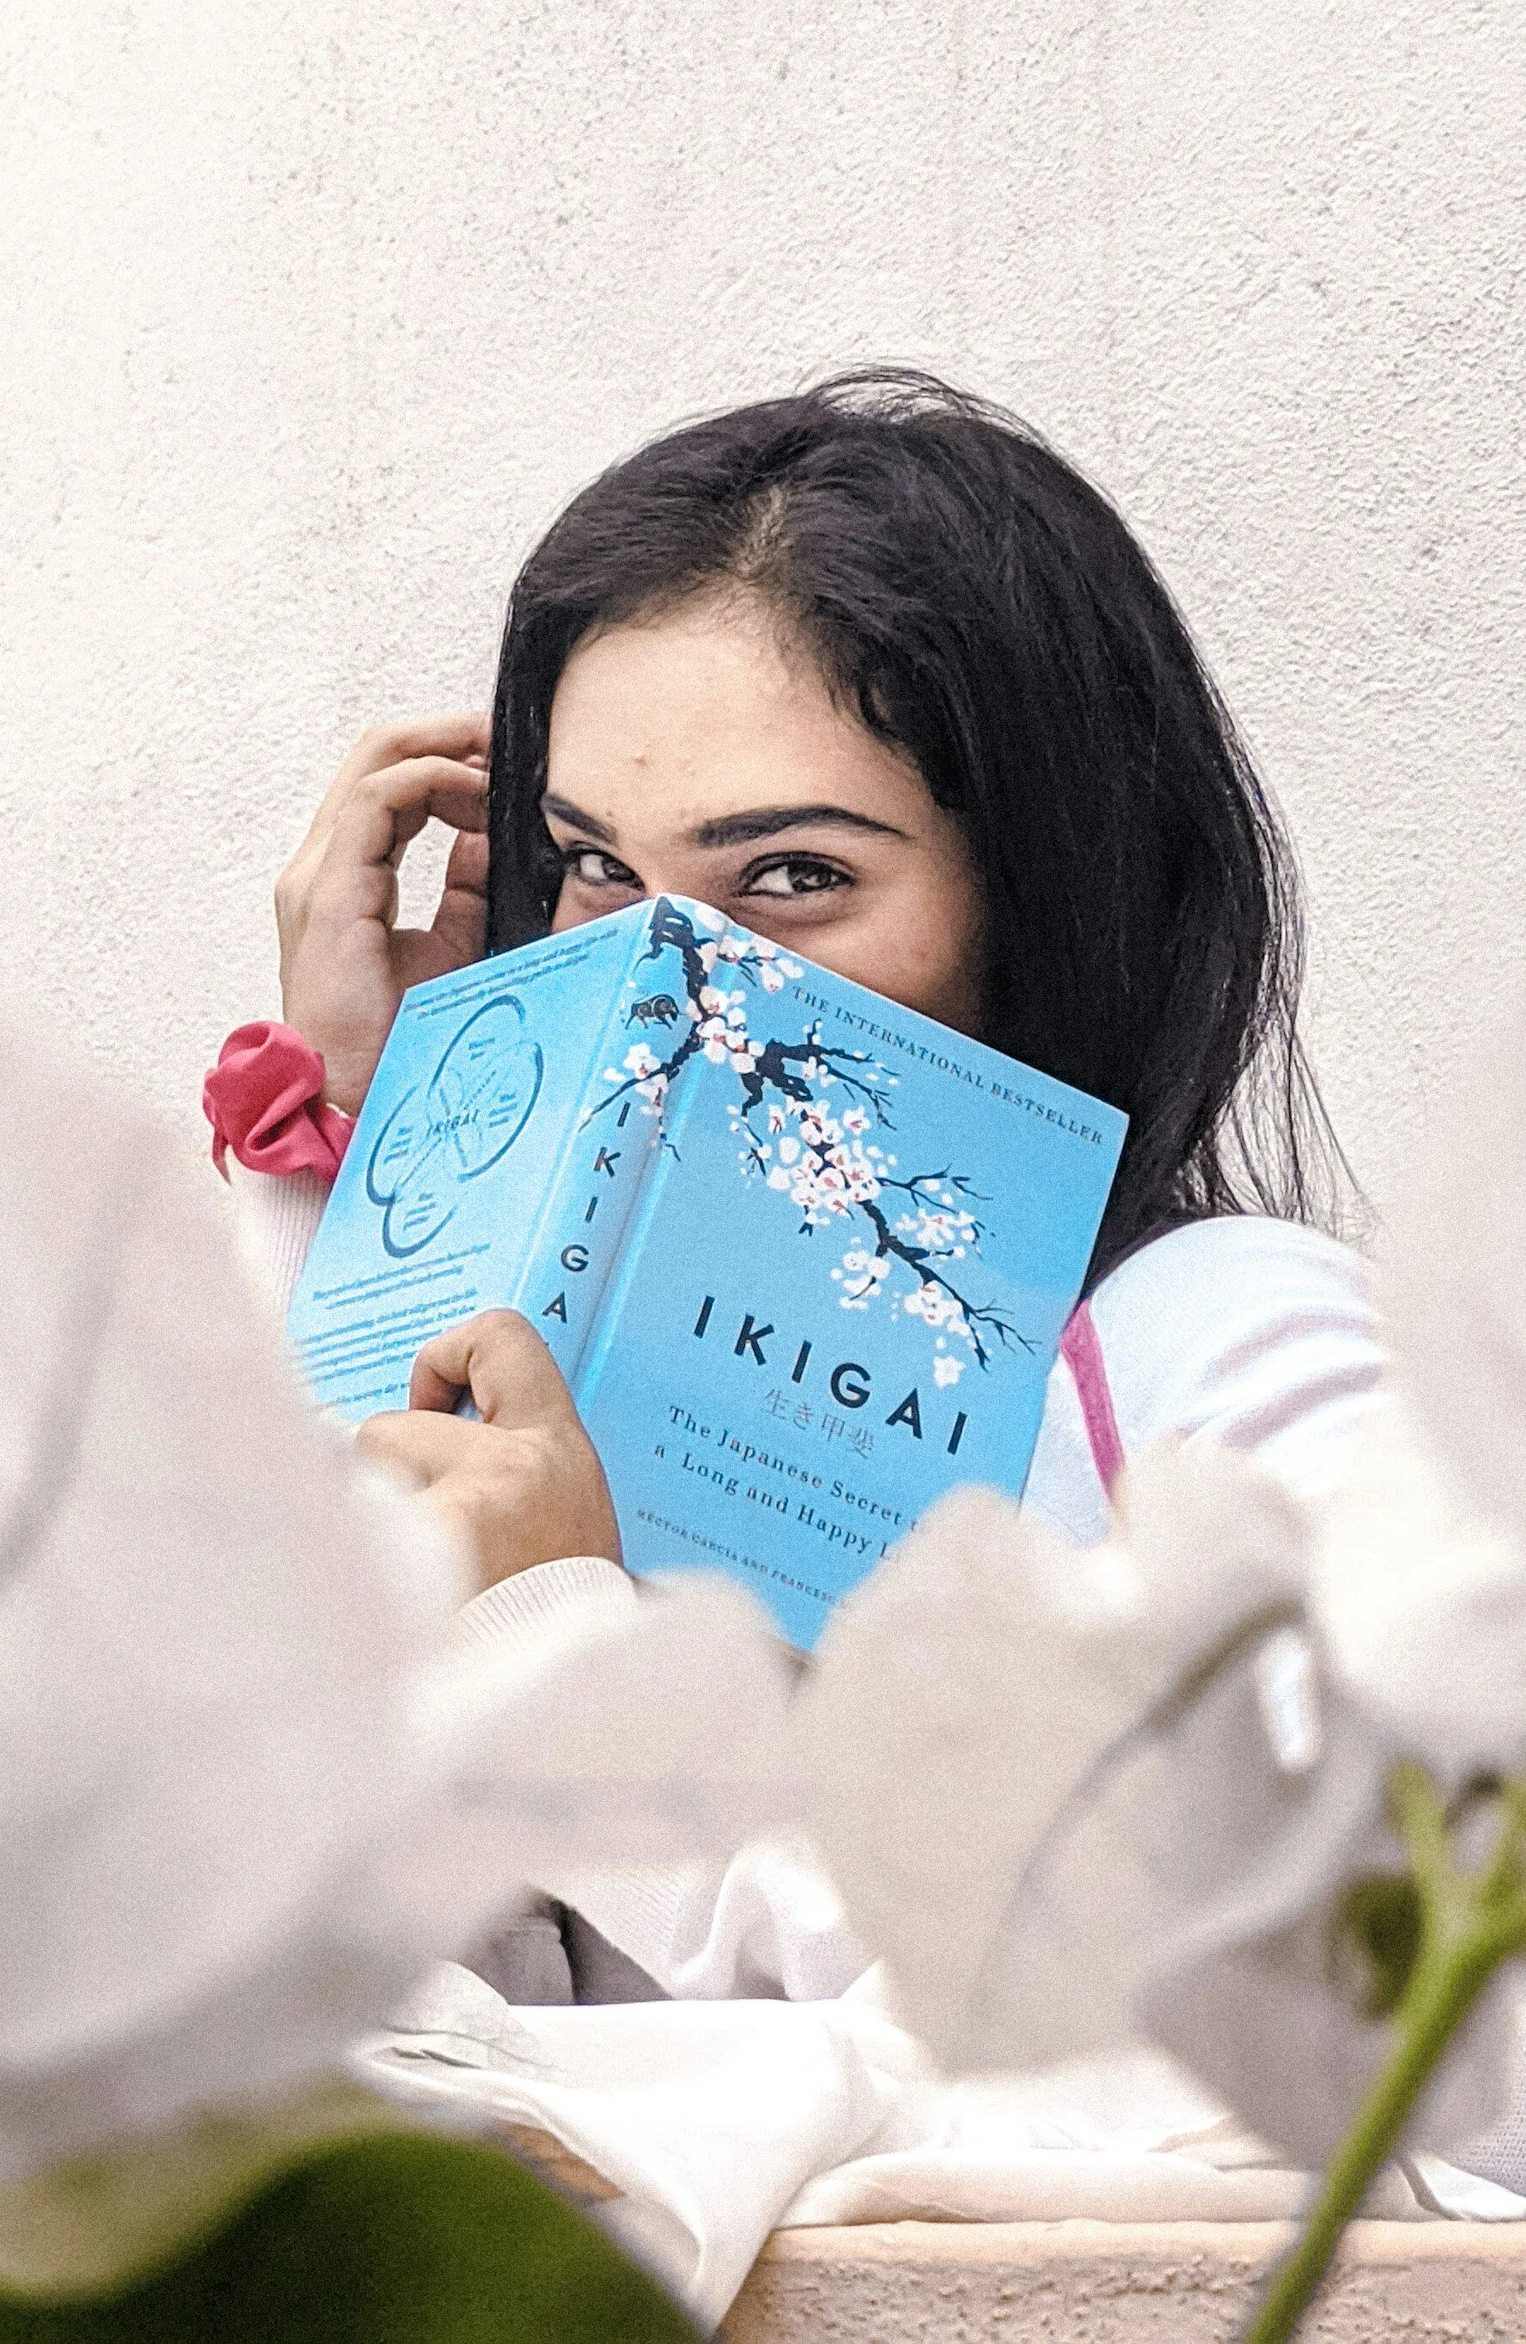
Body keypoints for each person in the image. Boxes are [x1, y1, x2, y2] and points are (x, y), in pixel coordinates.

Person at [214, 368, 1381, 2003]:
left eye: (793, 878)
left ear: (1045, 898)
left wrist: (567, 1673)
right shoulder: (540, 1367)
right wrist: (384, 1141)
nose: (668, 976)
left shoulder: (1213, 1354)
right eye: (597, 867)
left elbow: (1352, 2036)